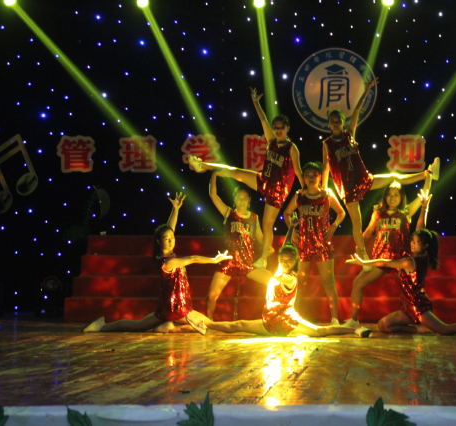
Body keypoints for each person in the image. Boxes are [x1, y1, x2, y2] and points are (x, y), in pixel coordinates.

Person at [321, 76, 440, 264]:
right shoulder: (327, 144)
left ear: (343, 122)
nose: (335, 124)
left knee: (394, 176)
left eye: (338, 121)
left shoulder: (349, 134)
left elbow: (357, 111)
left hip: (362, 178)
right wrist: (323, 189)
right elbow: (326, 166)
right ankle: (362, 253)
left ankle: (427, 173)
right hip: (347, 186)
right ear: (329, 124)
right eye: (333, 121)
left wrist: (367, 89)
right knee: (357, 221)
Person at [83, 193, 231, 334]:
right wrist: (214, 260)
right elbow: (193, 258)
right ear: (159, 241)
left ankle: (103, 327)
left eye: (172, 238)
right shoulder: (169, 262)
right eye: (167, 239)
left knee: (138, 325)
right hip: (176, 309)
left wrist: (175, 209)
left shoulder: (167, 253)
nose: (171, 240)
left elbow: (169, 229)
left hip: (170, 307)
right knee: (209, 325)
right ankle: (103, 327)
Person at [189, 88, 303, 268]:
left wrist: (304, 191)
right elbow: (263, 120)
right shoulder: (272, 141)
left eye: (281, 128)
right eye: (276, 128)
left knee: (267, 224)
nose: (278, 131)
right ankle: (202, 165)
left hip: (278, 190)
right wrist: (256, 103)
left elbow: (298, 170)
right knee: (236, 172)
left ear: (287, 128)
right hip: (264, 179)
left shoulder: (292, 148)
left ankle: (265, 255)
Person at [346, 200, 456, 337]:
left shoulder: (409, 261)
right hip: (407, 307)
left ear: (424, 246)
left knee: (444, 329)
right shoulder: (421, 255)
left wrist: (364, 261)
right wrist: (424, 208)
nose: (412, 244)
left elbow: (385, 263)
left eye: (416, 242)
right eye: (412, 241)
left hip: (418, 307)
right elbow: (420, 230)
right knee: (383, 325)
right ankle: (418, 329)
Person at [207, 227, 371, 338]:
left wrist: (266, 274)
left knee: (319, 331)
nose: (285, 263)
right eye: (282, 260)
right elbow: (286, 244)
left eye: (289, 260)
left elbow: (281, 278)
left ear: (294, 262)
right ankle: (207, 324)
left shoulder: (290, 277)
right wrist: (291, 227)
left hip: (287, 322)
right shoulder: (280, 269)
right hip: (269, 322)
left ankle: (355, 329)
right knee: (238, 325)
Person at [343, 182, 428, 328]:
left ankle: (415, 315)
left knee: (411, 290)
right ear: (385, 197)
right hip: (380, 259)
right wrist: (359, 245)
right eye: (389, 194)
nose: (392, 198)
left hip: (399, 259)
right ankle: (354, 320)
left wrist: (429, 177)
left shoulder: (405, 212)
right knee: (358, 282)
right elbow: (368, 232)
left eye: (396, 195)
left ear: (401, 197)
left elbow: (423, 197)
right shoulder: (377, 213)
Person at [283, 162, 346, 324]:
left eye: (314, 175)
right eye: (307, 175)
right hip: (304, 245)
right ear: (303, 178)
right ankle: (293, 318)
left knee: (328, 282)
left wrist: (333, 227)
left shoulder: (326, 195)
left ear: (320, 177)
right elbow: (287, 213)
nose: (311, 178)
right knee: (299, 283)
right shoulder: (299, 196)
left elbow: (341, 213)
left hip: (322, 244)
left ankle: (334, 319)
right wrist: (293, 230)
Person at [206, 172, 273, 319]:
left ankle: (275, 315)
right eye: (238, 197)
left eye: (244, 197)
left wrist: (267, 249)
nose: (241, 200)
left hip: (247, 263)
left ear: (249, 200)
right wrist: (215, 173)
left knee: (273, 282)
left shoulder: (254, 218)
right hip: (229, 262)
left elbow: (261, 239)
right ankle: (208, 323)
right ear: (234, 199)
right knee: (211, 296)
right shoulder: (229, 213)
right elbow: (213, 195)